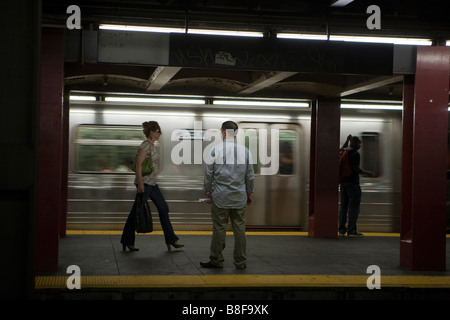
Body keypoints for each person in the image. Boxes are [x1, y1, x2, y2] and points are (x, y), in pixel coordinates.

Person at [121, 121, 183, 252]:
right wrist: (141, 183)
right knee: (136, 212)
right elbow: (138, 164)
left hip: (153, 183)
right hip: (145, 183)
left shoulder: (152, 146)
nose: (160, 133)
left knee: (163, 208)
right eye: (158, 131)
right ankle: (127, 240)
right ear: (152, 132)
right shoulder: (145, 146)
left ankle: (171, 239)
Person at [201, 121, 254, 269]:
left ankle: (216, 260)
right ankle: (240, 262)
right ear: (235, 133)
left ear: (223, 132)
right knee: (239, 229)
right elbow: (250, 176)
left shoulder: (215, 150)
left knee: (219, 228)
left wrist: (207, 191)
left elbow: (208, 173)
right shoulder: (246, 151)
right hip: (239, 197)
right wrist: (249, 194)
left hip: (220, 197)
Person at [338, 135, 374, 237]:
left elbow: (341, 149)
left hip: (343, 182)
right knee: (353, 207)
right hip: (352, 183)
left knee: (343, 206)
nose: (360, 145)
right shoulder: (355, 154)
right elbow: (356, 169)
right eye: (358, 143)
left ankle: (341, 230)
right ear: (353, 143)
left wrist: (346, 140)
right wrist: (368, 173)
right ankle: (352, 230)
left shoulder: (344, 151)